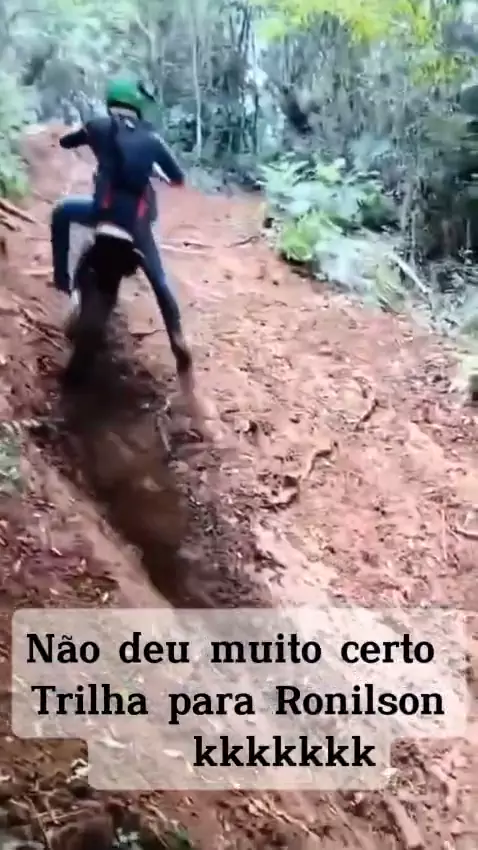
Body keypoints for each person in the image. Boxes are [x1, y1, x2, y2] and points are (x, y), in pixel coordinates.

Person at [50, 75, 204, 423]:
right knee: (160, 279)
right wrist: (158, 174)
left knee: (60, 213)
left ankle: (62, 279)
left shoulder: (98, 126)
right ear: (138, 105)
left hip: (100, 213)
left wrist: (82, 138)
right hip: (135, 227)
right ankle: (177, 337)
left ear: (112, 100)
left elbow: (66, 141)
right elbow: (179, 179)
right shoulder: (152, 139)